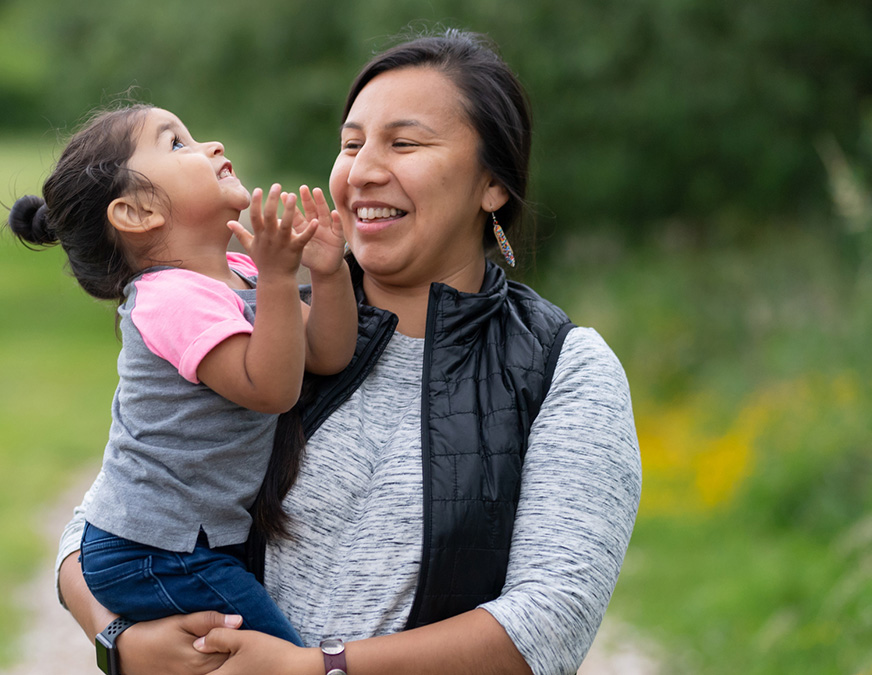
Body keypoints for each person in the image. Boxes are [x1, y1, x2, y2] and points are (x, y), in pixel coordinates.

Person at [56, 28, 642, 675]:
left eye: (406, 142)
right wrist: (121, 643)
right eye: (352, 143)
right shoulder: (272, 318)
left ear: (492, 183)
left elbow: (549, 622)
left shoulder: (564, 368)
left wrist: (318, 668)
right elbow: (105, 518)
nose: (363, 170)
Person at [8, 104, 358, 646]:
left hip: (190, 542)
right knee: (278, 659)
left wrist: (329, 273)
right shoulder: (168, 297)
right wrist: (281, 279)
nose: (211, 146)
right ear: (137, 211)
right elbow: (271, 389)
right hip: (151, 549)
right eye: (177, 144)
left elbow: (326, 355)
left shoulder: (240, 273)